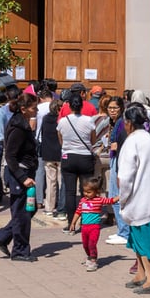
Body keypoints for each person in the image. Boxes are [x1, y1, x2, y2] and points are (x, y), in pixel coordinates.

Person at [117, 103, 150, 295]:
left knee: (142, 240)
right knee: (139, 237)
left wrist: (122, 198)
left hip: (139, 197)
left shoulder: (132, 141)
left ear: (129, 123)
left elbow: (125, 177)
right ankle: (140, 274)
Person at [0, 92, 39, 262]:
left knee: (29, 209)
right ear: (23, 109)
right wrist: (22, 177)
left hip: (26, 172)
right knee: (21, 213)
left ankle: (3, 236)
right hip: (20, 174)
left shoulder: (23, 123)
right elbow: (10, 155)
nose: (36, 111)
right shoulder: (18, 127)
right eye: (33, 108)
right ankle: (19, 251)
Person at [57, 89, 98, 229]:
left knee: (70, 192)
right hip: (85, 157)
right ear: (82, 105)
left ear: (69, 105)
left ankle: (71, 223)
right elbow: (93, 140)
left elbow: (61, 140)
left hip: (68, 157)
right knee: (86, 192)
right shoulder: (89, 120)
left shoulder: (62, 121)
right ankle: (86, 221)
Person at [69, 177, 118, 272]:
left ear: (96, 192)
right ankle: (89, 256)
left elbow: (110, 201)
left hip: (94, 227)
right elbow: (78, 212)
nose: (86, 194)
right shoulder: (82, 201)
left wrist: (119, 197)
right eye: (84, 191)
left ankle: (93, 260)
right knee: (85, 245)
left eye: (89, 192)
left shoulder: (99, 200)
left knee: (92, 244)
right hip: (84, 227)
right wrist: (73, 223)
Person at [104, 97, 131, 246]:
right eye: (110, 108)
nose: (112, 111)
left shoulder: (121, 123)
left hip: (119, 159)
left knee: (116, 196)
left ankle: (124, 232)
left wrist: (114, 145)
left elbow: (120, 143)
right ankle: (122, 230)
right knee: (114, 195)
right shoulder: (114, 123)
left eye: (115, 108)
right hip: (115, 158)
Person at [40, 98, 64, 220]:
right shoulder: (62, 120)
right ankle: (61, 206)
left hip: (48, 153)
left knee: (50, 182)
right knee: (61, 182)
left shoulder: (45, 119)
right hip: (60, 153)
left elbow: (42, 134)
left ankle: (49, 208)